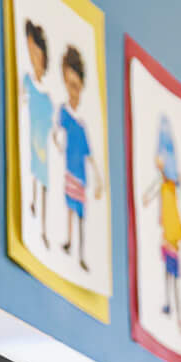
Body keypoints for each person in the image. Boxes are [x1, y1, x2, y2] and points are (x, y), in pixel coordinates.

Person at [54, 46, 103, 271]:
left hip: (81, 177)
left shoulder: (83, 126)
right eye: (68, 84)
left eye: (75, 86)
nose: (72, 91)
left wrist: (99, 181)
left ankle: (81, 252)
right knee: (70, 208)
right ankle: (69, 242)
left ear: (81, 87)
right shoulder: (63, 113)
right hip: (69, 171)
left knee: (80, 213)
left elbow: (91, 155)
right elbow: (57, 133)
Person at [139, 116, 181, 328]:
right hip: (167, 232)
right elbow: (149, 194)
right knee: (168, 269)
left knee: (173, 271)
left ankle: (177, 310)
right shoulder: (165, 184)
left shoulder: (174, 187)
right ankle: (169, 304)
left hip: (173, 233)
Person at [21, 21, 55, 246]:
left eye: (36, 52)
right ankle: (31, 202)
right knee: (34, 173)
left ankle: (42, 227)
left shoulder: (49, 97)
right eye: (29, 51)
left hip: (43, 143)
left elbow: (51, 125)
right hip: (33, 140)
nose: (33, 57)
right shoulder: (27, 82)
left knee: (43, 180)